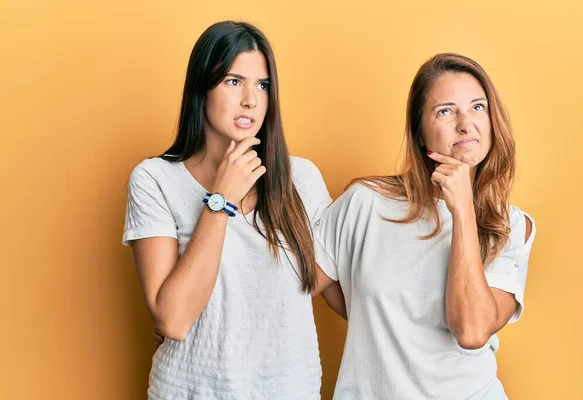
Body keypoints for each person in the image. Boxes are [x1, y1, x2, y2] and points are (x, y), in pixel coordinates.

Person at [122, 20, 342, 399]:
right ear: (201, 87)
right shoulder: (154, 179)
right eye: (233, 81)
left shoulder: (301, 179)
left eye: (262, 85)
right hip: (192, 391)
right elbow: (173, 319)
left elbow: (338, 288)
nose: (250, 100)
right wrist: (219, 201)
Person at [314, 53, 536, 399]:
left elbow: (472, 331)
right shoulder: (366, 202)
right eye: (445, 111)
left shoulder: (511, 226)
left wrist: (462, 211)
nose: (466, 124)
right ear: (419, 131)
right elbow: (298, 282)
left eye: (478, 107)